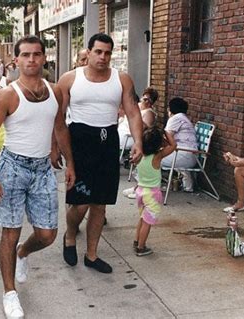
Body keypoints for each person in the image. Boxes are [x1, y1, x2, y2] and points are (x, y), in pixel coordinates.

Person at [0, 35, 75, 319]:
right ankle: (10, 294)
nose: (32, 59)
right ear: (16, 60)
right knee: (10, 232)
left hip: (43, 168)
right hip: (12, 168)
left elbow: (60, 128)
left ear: (44, 58)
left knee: (47, 235)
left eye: (37, 54)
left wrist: (70, 163)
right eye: (26, 55)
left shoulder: (55, 91)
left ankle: (23, 253)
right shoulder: (6, 95)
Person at [58, 33, 143, 274]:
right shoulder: (70, 79)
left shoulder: (122, 79)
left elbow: (133, 112)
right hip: (79, 143)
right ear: (88, 52)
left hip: (107, 142)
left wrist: (138, 141)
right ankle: (70, 235)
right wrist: (55, 148)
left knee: (100, 204)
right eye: (98, 52)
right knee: (80, 202)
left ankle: (92, 255)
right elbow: (58, 119)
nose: (103, 57)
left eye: (107, 53)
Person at [133, 127, 176, 256]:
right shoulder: (157, 157)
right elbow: (173, 145)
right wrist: (166, 132)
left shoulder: (139, 155)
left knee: (142, 218)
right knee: (148, 221)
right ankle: (141, 247)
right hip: (152, 194)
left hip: (140, 191)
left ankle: (136, 241)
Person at [160, 98, 198, 192]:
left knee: (150, 158)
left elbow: (166, 138)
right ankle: (188, 186)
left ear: (171, 109)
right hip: (191, 156)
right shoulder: (184, 118)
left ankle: (144, 187)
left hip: (182, 155)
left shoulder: (175, 118)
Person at [119, 87, 158, 151]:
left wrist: (137, 116)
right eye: (144, 99)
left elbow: (146, 131)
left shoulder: (149, 113)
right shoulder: (137, 105)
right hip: (121, 131)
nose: (146, 101)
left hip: (130, 136)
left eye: (149, 100)